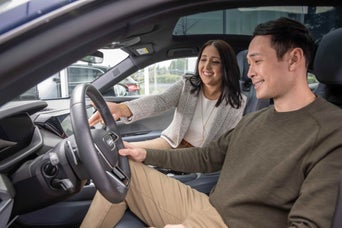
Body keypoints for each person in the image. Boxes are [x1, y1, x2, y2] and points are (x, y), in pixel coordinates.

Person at [82, 17, 342, 228]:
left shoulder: (331, 130)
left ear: (294, 59)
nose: (249, 73)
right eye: (248, 63)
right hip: (206, 206)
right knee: (123, 170)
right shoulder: (255, 119)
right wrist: (145, 154)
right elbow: (207, 157)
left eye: (257, 62)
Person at [89, 39, 246, 150]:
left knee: (131, 156)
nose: (206, 66)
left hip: (200, 159)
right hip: (170, 144)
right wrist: (121, 108)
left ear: (227, 66)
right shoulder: (188, 85)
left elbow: (223, 148)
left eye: (215, 61)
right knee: (122, 151)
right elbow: (160, 101)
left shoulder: (237, 103)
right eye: (203, 60)